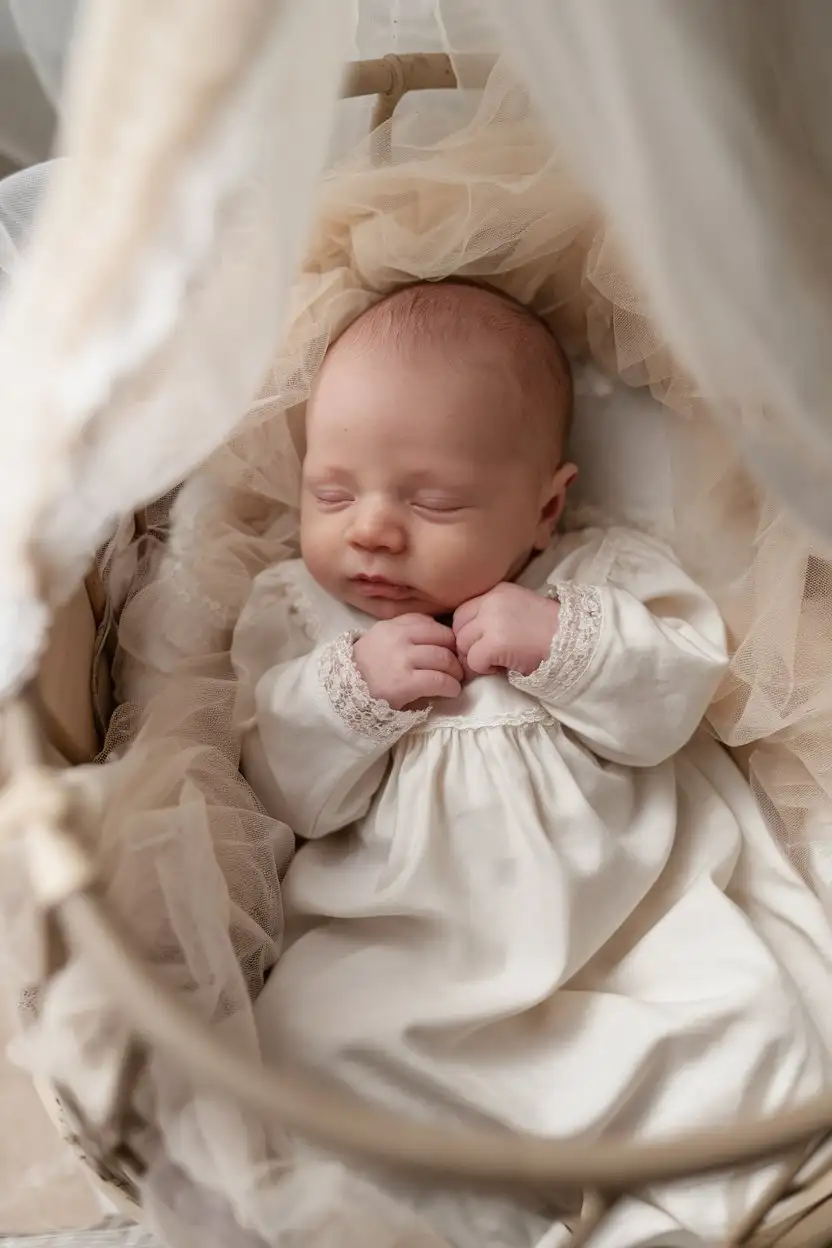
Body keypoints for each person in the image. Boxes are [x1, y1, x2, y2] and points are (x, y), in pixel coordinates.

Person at [231, 280, 832, 1247]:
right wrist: (350, 692)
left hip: (629, 936)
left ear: (545, 508)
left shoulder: (604, 578)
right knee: (307, 1053)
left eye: (434, 500)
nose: (372, 528)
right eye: (331, 491)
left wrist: (564, 644)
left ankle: (669, 1220)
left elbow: (673, 706)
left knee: (744, 1030)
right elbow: (280, 792)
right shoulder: (301, 615)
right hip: (408, 960)